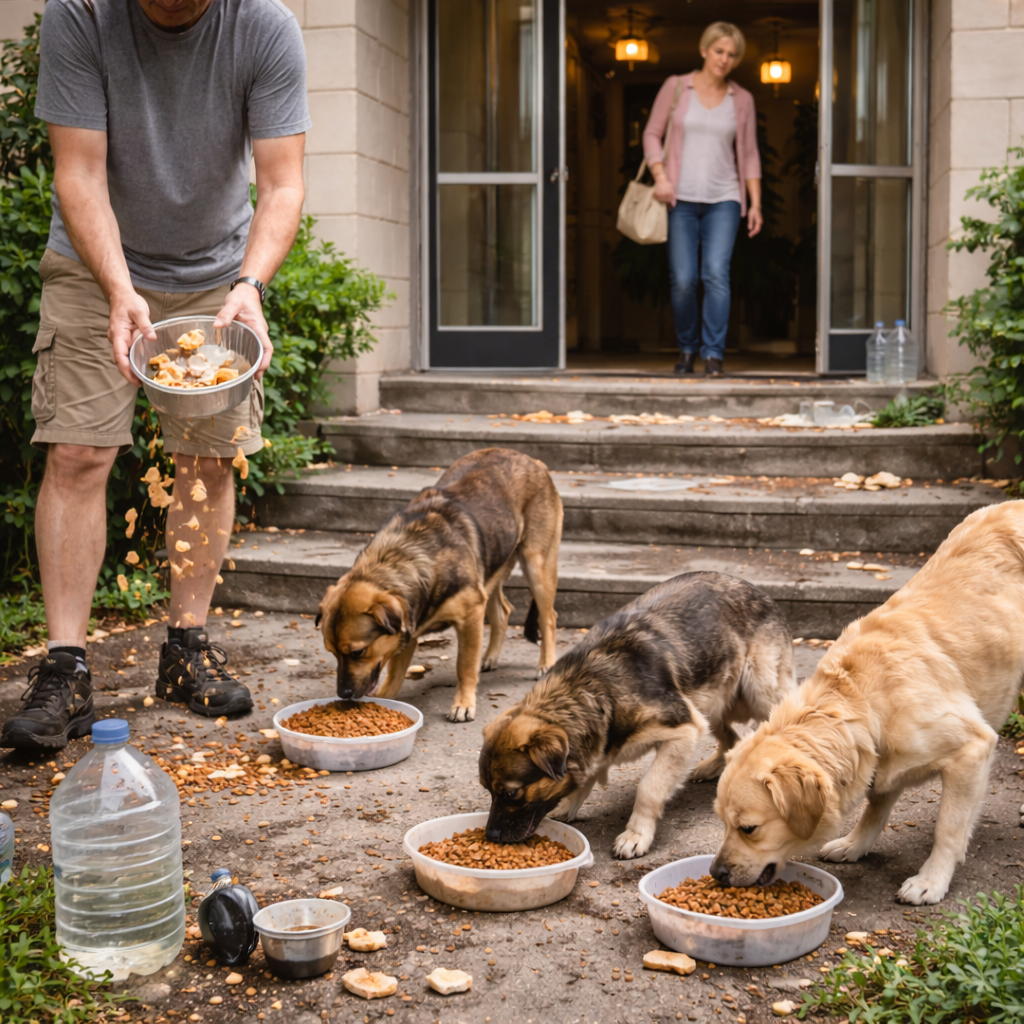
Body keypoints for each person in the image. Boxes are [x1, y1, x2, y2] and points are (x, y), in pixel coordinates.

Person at [0, 0, 310, 751]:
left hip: (218, 276)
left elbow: (282, 184)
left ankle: (185, 645)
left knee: (205, 459)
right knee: (78, 450)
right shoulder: (81, 15)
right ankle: (67, 665)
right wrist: (118, 289)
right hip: (92, 263)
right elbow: (78, 171)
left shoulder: (264, 27)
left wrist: (251, 287)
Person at [643, 21, 762, 378]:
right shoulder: (677, 87)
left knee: (715, 274)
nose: (725, 59)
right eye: (719, 51)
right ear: (704, 50)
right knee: (682, 279)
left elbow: (751, 154)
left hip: (724, 197)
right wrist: (660, 177)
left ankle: (713, 355)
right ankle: (687, 348)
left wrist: (754, 203)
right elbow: (652, 133)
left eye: (732, 54)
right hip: (679, 198)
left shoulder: (742, 100)